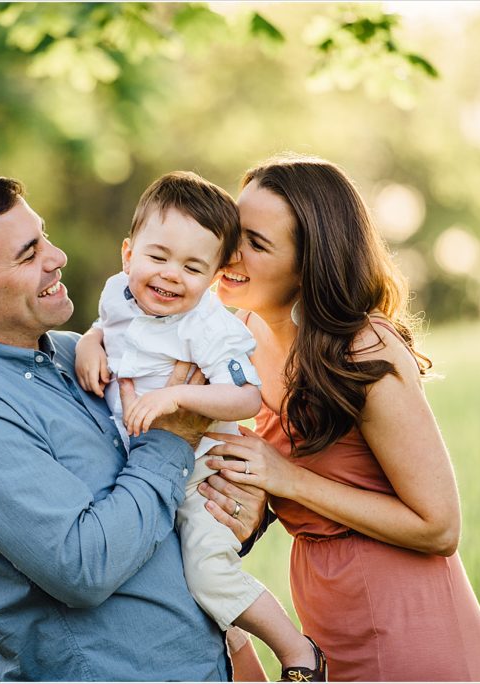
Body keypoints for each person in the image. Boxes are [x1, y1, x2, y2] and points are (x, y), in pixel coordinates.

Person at [0, 176, 267, 682]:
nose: (57, 256)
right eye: (28, 255)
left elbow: (164, 517)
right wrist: (172, 438)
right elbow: (85, 567)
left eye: (44, 237)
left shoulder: (81, 355)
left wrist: (244, 513)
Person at [205, 154, 480, 681]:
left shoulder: (363, 349)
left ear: (309, 264)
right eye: (230, 230)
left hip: (412, 628)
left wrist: (283, 478)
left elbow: (440, 526)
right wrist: (255, 508)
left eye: (256, 242)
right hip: (326, 623)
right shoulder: (235, 335)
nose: (228, 250)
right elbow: (284, 477)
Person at [74, 171, 326, 682]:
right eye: (158, 257)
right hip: (145, 471)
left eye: (193, 267)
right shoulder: (119, 294)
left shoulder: (209, 327)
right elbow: (111, 328)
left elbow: (246, 396)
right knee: (174, 584)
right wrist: (88, 342)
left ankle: (299, 655)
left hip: (201, 475)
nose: (170, 275)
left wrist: (179, 395)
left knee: (209, 576)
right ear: (128, 254)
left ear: (214, 278)